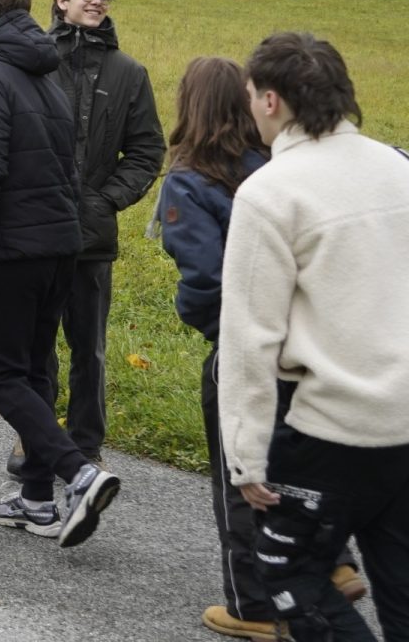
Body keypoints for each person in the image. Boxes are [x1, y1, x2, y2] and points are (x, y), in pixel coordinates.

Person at [151, 56, 367, 639]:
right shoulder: (275, 165)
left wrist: (209, 326)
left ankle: (254, 608)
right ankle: (336, 561)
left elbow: (205, 280)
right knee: (301, 458)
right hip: (306, 343)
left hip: (245, 344)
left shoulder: (189, 179)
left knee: (241, 476)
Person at [219, 32, 409, 641]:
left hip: (332, 428)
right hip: (404, 421)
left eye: (252, 95)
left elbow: (249, 337)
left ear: (271, 100)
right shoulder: (399, 166)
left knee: (291, 577)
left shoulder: (271, 192)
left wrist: (245, 454)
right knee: (402, 584)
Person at [0, 0, 118, 549]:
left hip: (11, 246)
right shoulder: (46, 76)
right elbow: (67, 167)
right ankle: (38, 498)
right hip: (60, 245)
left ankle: (79, 474)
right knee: (36, 370)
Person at [33, 0, 164, 473]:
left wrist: (106, 199)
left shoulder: (128, 72)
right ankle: (38, 437)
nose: (97, 0)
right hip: (35, 226)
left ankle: (86, 445)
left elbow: (148, 149)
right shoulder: (36, 60)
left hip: (91, 233)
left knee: (89, 348)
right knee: (35, 343)